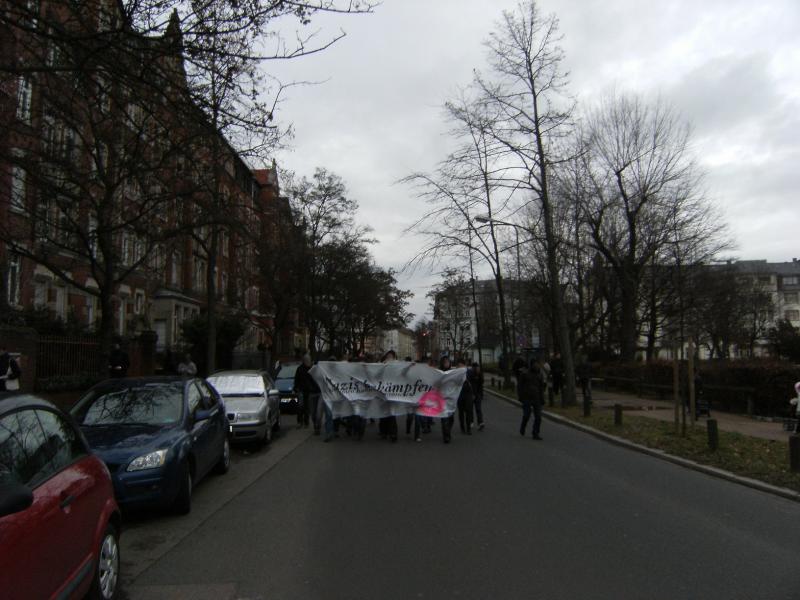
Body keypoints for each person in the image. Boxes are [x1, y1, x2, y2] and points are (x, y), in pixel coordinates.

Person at [515, 354, 545, 440]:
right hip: (527, 398)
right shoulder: (525, 374)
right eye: (534, 364)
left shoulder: (540, 375)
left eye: (537, 364)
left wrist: (542, 399)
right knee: (526, 415)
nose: (536, 365)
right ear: (531, 365)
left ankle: (535, 433)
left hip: (537, 398)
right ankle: (523, 426)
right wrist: (520, 397)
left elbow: (541, 388)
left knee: (538, 417)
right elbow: (519, 386)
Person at [294, 354, 319, 430]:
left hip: (309, 390)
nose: (308, 362)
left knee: (307, 407)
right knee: (300, 406)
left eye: (309, 360)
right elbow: (297, 379)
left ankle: (306, 422)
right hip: (301, 389)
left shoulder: (312, 369)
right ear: (304, 361)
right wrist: (296, 388)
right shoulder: (300, 369)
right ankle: (300, 421)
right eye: (307, 360)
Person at [379, 350, 399, 442]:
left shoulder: (397, 367)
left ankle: (393, 433)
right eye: (388, 356)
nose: (389, 357)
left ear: (394, 358)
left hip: (393, 393)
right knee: (384, 413)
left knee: (392, 413)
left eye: (391, 356)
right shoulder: (382, 365)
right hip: (383, 392)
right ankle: (384, 432)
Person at [456, 358, 474, 435]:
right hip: (460, 395)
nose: (460, 367)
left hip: (468, 394)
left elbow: (474, 382)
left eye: (461, 366)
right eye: (459, 366)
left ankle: (468, 428)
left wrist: (474, 394)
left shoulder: (469, 372)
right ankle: (462, 426)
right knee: (461, 412)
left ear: (464, 365)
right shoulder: (456, 373)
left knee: (468, 411)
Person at [439, 355, 455, 443]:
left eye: (448, 362)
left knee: (451, 418)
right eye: (445, 362)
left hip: (451, 399)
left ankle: (447, 431)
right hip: (442, 398)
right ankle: (446, 436)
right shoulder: (439, 372)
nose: (446, 363)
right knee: (444, 417)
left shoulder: (453, 373)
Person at [470, 362, 485, 430]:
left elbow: (481, 383)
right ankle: (471, 421)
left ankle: (480, 422)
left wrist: (479, 374)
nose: (476, 369)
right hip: (471, 394)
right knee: (470, 409)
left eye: (477, 367)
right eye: (475, 367)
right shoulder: (470, 374)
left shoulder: (480, 374)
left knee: (478, 408)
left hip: (478, 394)